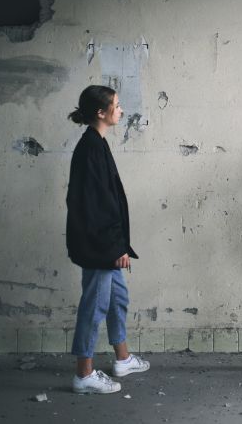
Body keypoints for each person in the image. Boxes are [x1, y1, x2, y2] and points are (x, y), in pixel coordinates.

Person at [66, 85, 150, 394]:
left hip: (103, 243)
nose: (121, 110)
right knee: (95, 305)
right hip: (99, 246)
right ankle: (84, 374)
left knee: (118, 299)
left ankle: (122, 359)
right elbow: (98, 206)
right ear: (101, 113)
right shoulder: (90, 147)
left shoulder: (96, 143)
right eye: (116, 105)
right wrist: (115, 248)